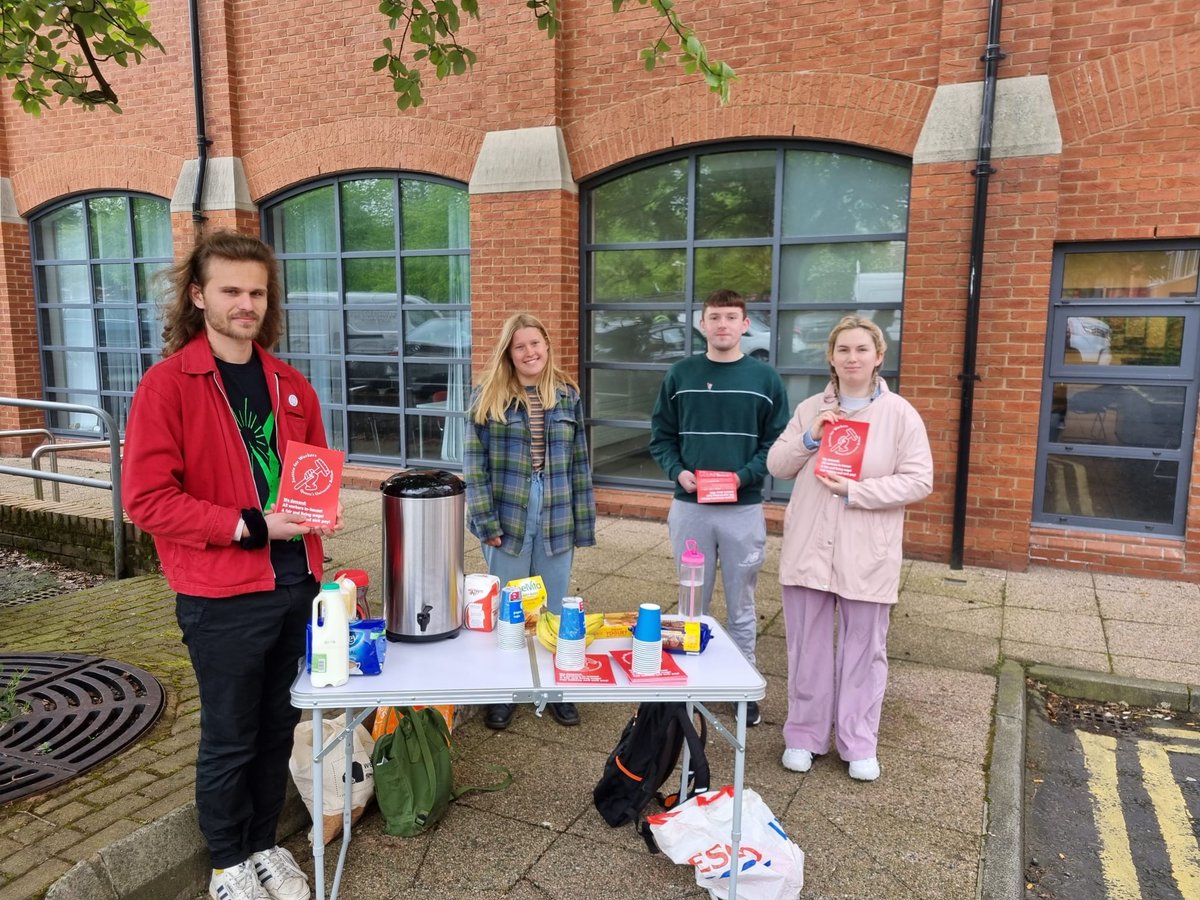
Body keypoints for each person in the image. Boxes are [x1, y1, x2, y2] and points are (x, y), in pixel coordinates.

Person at [123, 230, 343, 900]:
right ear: (198, 296)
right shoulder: (168, 386)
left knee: (279, 724)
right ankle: (226, 864)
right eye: (231, 291)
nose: (246, 304)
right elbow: (146, 500)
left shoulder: (290, 383)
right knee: (230, 735)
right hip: (221, 594)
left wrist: (317, 519)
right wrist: (250, 525)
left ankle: (262, 845)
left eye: (257, 292)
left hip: (294, 585)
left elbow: (311, 480)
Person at [766, 315, 932, 782]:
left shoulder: (900, 414)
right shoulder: (809, 408)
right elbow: (777, 465)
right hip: (808, 549)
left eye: (862, 349)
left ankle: (858, 742)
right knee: (807, 648)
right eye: (843, 350)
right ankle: (803, 735)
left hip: (867, 551)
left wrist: (857, 491)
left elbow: (920, 479)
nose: (852, 358)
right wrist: (810, 437)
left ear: (879, 356)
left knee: (866, 649)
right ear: (832, 358)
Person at [649, 289, 790, 727]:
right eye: (715, 317)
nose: (723, 324)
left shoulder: (766, 380)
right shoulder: (680, 374)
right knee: (690, 599)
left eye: (732, 317)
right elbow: (661, 437)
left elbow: (776, 444)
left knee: (742, 603)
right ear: (702, 325)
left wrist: (743, 476)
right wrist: (678, 472)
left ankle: (741, 685)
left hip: (742, 509)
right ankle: (689, 682)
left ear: (745, 325)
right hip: (690, 507)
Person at [464, 312, 597, 730]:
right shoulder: (488, 395)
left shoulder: (566, 394)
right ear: (509, 352)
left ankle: (554, 689)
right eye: (520, 346)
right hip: (509, 509)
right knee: (511, 607)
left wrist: (581, 522)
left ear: (546, 346)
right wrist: (486, 524)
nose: (529, 352)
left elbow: (580, 462)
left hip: (556, 507)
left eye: (535, 344)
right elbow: (473, 465)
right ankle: (506, 692)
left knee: (556, 609)